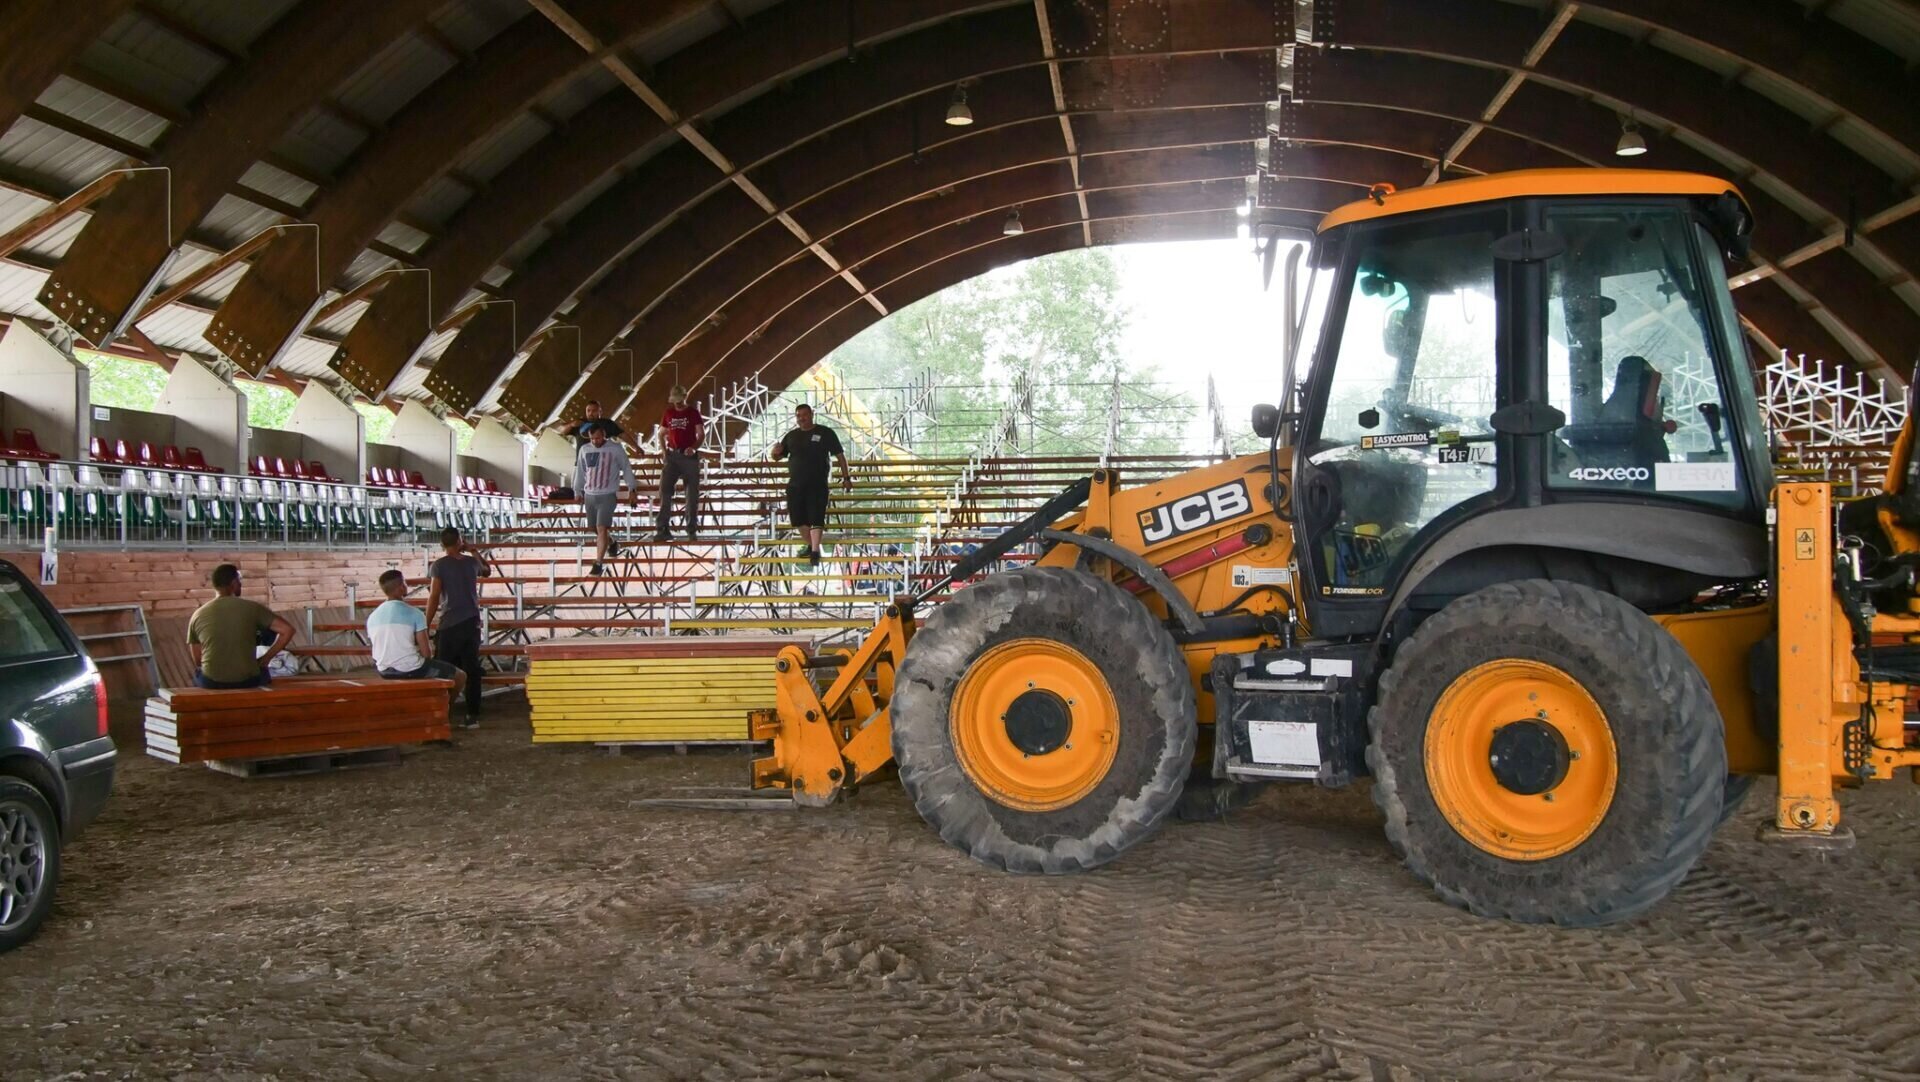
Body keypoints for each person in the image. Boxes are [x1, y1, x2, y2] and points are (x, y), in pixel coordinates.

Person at [367, 569, 466, 708]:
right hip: (411, 669)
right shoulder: (415, 613)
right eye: (404, 583)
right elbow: (427, 654)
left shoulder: (373, 617)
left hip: (384, 669)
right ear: (401, 587)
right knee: (460, 676)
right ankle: (445, 710)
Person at [187, 563, 294, 690]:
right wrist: (265, 660)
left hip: (212, 682)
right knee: (264, 674)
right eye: (239, 581)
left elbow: (198, 660)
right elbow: (288, 630)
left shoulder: (197, 615)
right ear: (233, 583)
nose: (241, 584)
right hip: (248, 680)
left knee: (198, 674)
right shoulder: (252, 608)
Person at [423, 527, 491, 727]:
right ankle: (473, 715)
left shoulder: (439, 566)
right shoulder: (471, 562)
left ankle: (442, 712)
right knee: (472, 668)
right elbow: (487, 571)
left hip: (450, 622)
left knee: (443, 668)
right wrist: (474, 550)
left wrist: (426, 623)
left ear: (443, 544)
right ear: (460, 541)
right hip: (471, 621)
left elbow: (434, 596)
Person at [771, 403, 850, 567]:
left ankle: (814, 551)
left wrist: (846, 477)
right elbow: (777, 456)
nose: (801, 418)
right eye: (798, 415)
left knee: (816, 516)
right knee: (798, 519)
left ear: (812, 414)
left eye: (804, 415)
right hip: (796, 485)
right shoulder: (791, 436)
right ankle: (813, 546)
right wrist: (774, 452)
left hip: (817, 483)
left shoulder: (825, 432)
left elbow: (840, 456)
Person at [575, 425, 637, 575]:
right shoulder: (585, 449)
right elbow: (581, 471)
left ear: (604, 435)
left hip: (607, 494)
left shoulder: (616, 449)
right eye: (592, 438)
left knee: (602, 527)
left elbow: (626, 468)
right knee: (593, 528)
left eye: (598, 438)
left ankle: (598, 563)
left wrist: (632, 489)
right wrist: (577, 490)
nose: (595, 441)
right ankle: (613, 543)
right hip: (590, 494)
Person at [656, 385, 704, 542]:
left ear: (684, 397)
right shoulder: (668, 413)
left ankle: (691, 528)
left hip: (688, 456)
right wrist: (664, 451)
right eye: (674, 400)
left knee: (691, 493)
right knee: (665, 490)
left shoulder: (693, 413)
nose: (676, 403)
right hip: (673, 455)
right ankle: (663, 528)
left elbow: (701, 434)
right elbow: (661, 433)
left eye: (678, 400)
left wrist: (693, 448)